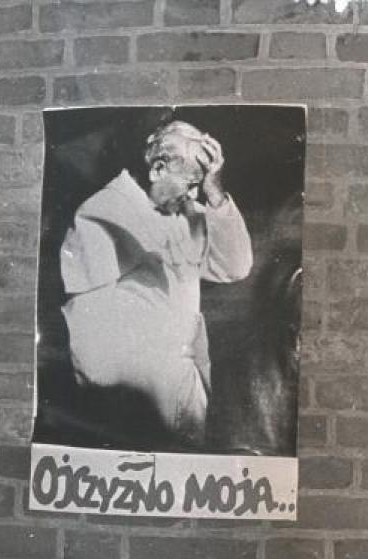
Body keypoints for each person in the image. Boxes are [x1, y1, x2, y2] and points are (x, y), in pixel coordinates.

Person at [60, 120, 253, 447]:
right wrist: (122, 408)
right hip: (133, 406)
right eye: (191, 184)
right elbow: (87, 335)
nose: (194, 195)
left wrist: (215, 193)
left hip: (186, 389)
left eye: (199, 186)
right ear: (158, 169)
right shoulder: (101, 214)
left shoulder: (187, 211)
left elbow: (235, 267)